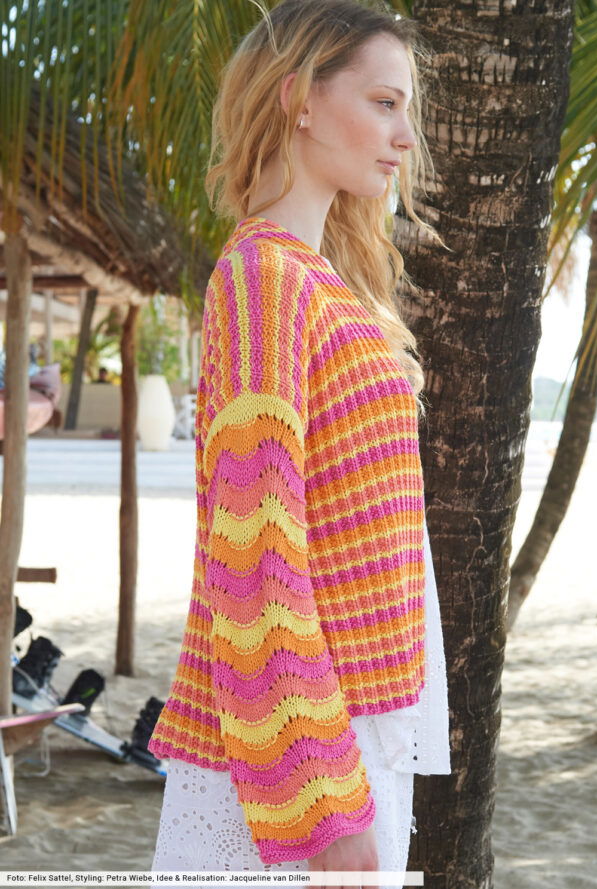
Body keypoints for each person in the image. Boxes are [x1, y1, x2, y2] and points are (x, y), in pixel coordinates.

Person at [148, 1, 451, 886]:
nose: (405, 138)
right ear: (300, 99)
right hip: (304, 757)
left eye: (406, 111)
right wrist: (322, 805)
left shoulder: (323, 285)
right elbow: (254, 550)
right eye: (385, 103)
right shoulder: (262, 278)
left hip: (348, 725)